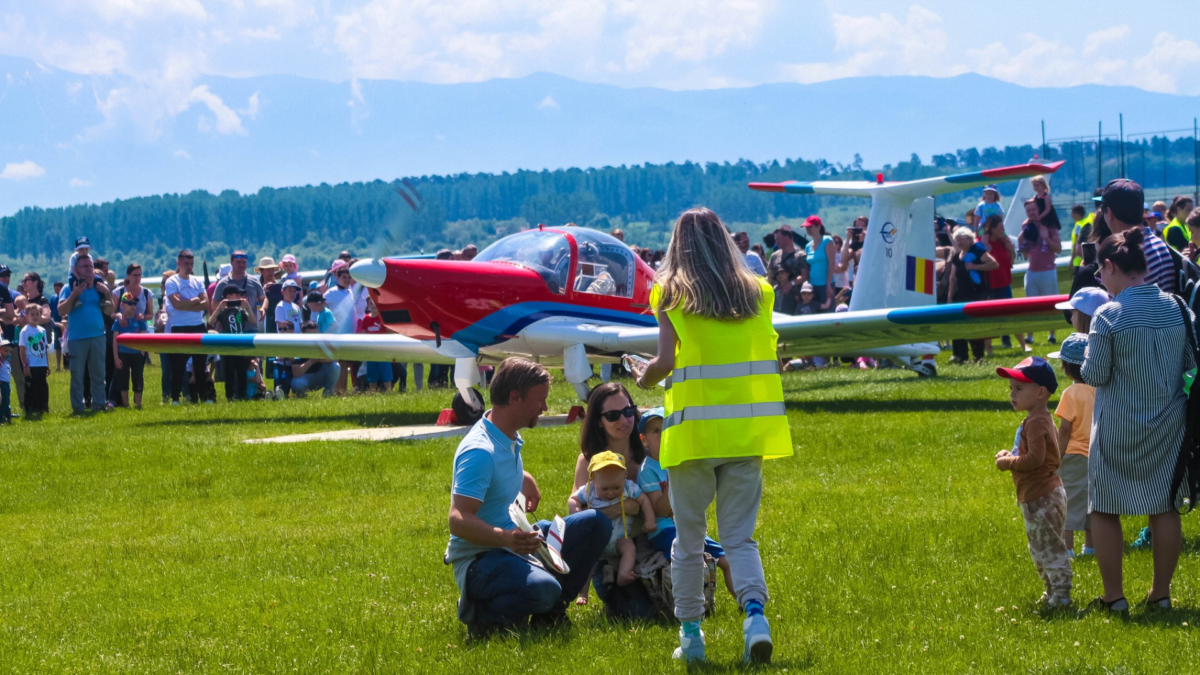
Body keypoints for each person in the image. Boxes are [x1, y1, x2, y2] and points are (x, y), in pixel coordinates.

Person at [635, 207, 792, 664]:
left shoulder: (668, 294)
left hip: (693, 436)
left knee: (689, 539)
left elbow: (664, 362)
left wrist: (645, 378)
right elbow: (771, 357)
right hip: (746, 431)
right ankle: (755, 617)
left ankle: (691, 636)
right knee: (740, 537)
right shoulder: (759, 294)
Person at [445, 357, 611, 635]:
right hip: (481, 558)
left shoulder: (503, 434)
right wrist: (506, 539)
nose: (545, 407)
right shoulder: (479, 451)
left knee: (596, 523)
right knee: (543, 589)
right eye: (540, 399)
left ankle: (551, 612)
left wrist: (524, 477)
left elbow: (497, 468)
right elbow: (458, 520)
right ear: (515, 398)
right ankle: (481, 614)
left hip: (515, 540)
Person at [1081, 219, 1193, 613]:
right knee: (1164, 505)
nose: (1099, 278)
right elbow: (1192, 365)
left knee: (1104, 508)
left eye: (1099, 270)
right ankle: (1160, 595)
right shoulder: (1178, 308)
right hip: (1169, 422)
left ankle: (1114, 598)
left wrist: (1080, 350)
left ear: (1110, 266)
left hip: (1116, 425)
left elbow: (1095, 375)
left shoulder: (1108, 315)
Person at [994, 356, 1071, 607]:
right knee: (1039, 548)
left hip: (1043, 496)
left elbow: (1036, 460)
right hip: (1036, 494)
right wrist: (1012, 454)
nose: (1012, 394)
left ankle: (1061, 595)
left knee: (1050, 547)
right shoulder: (1036, 419)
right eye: (1011, 389)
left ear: (1040, 393)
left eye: (1019, 388)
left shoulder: (1037, 422)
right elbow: (1045, 455)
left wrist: (1007, 463)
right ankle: (1051, 592)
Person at [637, 407, 736, 598]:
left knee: (727, 560)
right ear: (644, 439)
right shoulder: (648, 469)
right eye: (656, 431)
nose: (663, 435)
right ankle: (690, 608)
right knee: (693, 559)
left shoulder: (681, 462)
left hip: (686, 526)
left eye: (667, 429)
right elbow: (661, 509)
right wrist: (674, 473)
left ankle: (744, 604)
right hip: (664, 531)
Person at [569, 451, 656, 586]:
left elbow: (643, 499)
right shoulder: (589, 490)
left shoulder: (628, 487)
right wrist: (577, 512)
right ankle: (582, 591)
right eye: (604, 489)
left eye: (616, 487)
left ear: (624, 477)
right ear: (593, 479)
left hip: (621, 537)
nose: (611, 493)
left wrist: (650, 520)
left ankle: (624, 574)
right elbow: (573, 499)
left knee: (629, 548)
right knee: (588, 561)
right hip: (597, 540)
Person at [1047, 332, 1096, 559]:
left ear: (1066, 367)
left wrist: (1057, 454)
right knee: (1092, 503)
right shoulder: (1099, 390)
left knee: (1066, 502)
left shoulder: (1071, 393)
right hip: (1097, 455)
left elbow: (1065, 428)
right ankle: (1091, 547)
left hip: (1074, 455)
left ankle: (1067, 550)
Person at [57, 255, 112, 413]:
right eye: (85, 266)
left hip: (98, 336)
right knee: (77, 375)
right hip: (77, 338)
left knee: (99, 374)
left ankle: (99, 404)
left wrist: (107, 294)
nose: (89, 269)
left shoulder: (99, 286)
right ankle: (78, 407)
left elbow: (109, 311)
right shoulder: (69, 287)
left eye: (90, 265)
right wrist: (74, 294)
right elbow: (61, 311)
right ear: (77, 269)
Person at [164, 250, 214, 405]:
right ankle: (175, 399)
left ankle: (203, 397)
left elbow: (206, 304)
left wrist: (187, 303)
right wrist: (195, 301)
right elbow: (176, 305)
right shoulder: (172, 282)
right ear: (178, 263)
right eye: (186, 264)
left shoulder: (197, 281)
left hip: (198, 326)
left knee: (201, 365)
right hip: (179, 327)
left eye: (191, 264)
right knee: (178, 365)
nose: (189, 267)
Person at [947, 226, 998, 363]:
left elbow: (994, 264)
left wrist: (976, 267)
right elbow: (953, 278)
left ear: (969, 239)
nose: (958, 242)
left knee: (975, 325)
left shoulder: (978, 251)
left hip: (977, 294)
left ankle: (978, 356)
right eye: (956, 240)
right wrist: (950, 296)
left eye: (961, 239)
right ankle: (960, 355)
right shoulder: (957, 256)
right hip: (961, 295)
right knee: (959, 325)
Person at [1018, 199, 1063, 345]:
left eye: (1033, 209)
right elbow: (1024, 251)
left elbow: (1058, 248)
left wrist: (1046, 238)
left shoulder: (1050, 227)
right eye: (1028, 211)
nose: (1031, 213)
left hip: (1048, 271)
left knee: (1051, 304)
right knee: (1030, 306)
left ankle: (1052, 335)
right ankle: (1030, 335)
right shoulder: (1027, 228)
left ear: (1040, 210)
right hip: (1032, 270)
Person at [980, 216, 1025, 354]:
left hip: (1004, 283)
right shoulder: (983, 243)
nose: (1003, 231)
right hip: (990, 285)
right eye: (1000, 229)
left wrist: (1010, 249)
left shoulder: (1003, 242)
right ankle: (989, 349)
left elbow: (1010, 263)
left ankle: (1023, 345)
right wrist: (985, 248)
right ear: (992, 229)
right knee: (989, 317)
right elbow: (981, 260)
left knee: (1010, 315)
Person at [210, 285, 256, 401]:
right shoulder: (223, 311)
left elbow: (252, 321)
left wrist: (248, 308)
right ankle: (229, 396)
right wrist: (219, 308)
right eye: (238, 295)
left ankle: (242, 395)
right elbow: (210, 322)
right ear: (228, 297)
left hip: (241, 345)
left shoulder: (241, 310)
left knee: (241, 372)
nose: (240, 297)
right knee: (229, 372)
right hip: (228, 346)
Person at [111, 293, 149, 409]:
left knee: (138, 378)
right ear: (122, 305)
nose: (133, 306)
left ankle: (138, 404)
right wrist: (116, 357)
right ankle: (126, 404)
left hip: (136, 354)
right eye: (130, 303)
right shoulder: (119, 321)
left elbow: (143, 338)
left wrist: (142, 353)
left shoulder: (139, 320)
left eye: (135, 303)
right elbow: (115, 340)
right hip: (123, 353)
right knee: (123, 379)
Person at [214, 250, 266, 327]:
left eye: (244, 262)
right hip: (230, 327)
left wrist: (263, 308)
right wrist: (227, 307)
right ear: (231, 262)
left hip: (250, 327)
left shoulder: (254, 281)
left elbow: (263, 298)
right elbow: (214, 302)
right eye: (238, 262)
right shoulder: (222, 283)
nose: (241, 265)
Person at [290, 321, 340, 396]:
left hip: (320, 375)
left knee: (335, 366)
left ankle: (328, 392)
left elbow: (336, 358)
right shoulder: (297, 346)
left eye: (315, 334)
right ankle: (301, 395)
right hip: (304, 377)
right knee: (296, 383)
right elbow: (296, 373)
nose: (313, 337)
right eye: (310, 335)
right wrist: (312, 361)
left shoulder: (322, 342)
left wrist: (322, 359)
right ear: (302, 334)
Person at [18, 305, 50, 416]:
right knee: (31, 386)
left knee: (42, 386)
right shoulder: (25, 331)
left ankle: (42, 406)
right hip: (31, 364)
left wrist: (47, 364)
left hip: (41, 363)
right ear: (26, 316)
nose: (35, 317)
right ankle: (29, 408)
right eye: (32, 314)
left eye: (37, 314)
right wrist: (25, 365)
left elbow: (44, 348)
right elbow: (22, 350)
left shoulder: (42, 330)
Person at [357, 298, 392, 392]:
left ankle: (388, 391)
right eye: (370, 304)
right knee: (371, 373)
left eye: (375, 303)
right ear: (368, 306)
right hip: (371, 351)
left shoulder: (383, 318)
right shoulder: (366, 318)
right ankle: (372, 392)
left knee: (386, 372)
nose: (373, 305)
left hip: (383, 351)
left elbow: (390, 333)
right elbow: (363, 333)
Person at [803, 216, 836, 310]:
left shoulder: (827, 240)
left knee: (827, 314)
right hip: (812, 287)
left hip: (825, 285)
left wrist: (828, 285)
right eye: (806, 227)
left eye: (810, 226)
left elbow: (831, 263)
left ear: (818, 227)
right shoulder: (808, 246)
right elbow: (808, 266)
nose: (808, 229)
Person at [1069, 204, 1094, 270]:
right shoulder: (1087, 223)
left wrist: (1072, 260)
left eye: (1072, 213)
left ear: (1076, 214)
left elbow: (1076, 243)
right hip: (1086, 259)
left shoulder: (1078, 225)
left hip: (1078, 262)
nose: (1071, 216)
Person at [0, 338, 11, 423]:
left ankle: (8, 413)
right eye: (6, 351)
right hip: (2, 383)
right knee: (4, 399)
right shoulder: (1, 360)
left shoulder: (7, 361)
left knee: (7, 398)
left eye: (10, 352)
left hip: (7, 383)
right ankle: (2, 415)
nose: (8, 353)